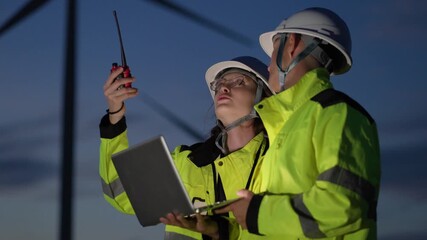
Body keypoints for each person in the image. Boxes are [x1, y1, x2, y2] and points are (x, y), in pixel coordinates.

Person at [217, 7, 381, 239]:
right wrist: (219, 231)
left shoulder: (338, 113)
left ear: (291, 43)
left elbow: (342, 206)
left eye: (273, 52)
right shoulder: (287, 127)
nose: (269, 66)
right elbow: (277, 224)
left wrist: (257, 214)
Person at [99, 56, 274, 239]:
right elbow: (119, 194)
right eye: (219, 83)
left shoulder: (277, 159)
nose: (223, 87)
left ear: (264, 97)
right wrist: (115, 116)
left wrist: (220, 231)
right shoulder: (187, 162)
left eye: (239, 81)